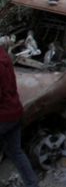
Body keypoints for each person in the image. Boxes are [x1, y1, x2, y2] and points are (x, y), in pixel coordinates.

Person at [0, 46, 39, 187]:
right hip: (14, 111)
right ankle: (32, 183)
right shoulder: (4, 55)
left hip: (3, 116)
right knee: (15, 152)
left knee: (15, 151)